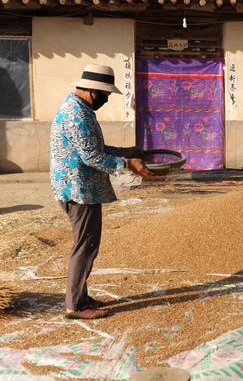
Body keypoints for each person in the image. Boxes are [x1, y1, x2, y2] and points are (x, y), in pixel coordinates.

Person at [50, 63, 153, 319]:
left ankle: (81, 297)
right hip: (79, 189)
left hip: (79, 187)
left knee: (86, 244)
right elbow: (91, 156)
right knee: (85, 246)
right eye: (105, 96)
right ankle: (75, 305)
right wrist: (128, 164)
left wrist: (124, 151)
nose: (106, 101)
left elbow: (93, 146)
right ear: (91, 91)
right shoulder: (77, 114)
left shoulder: (80, 109)